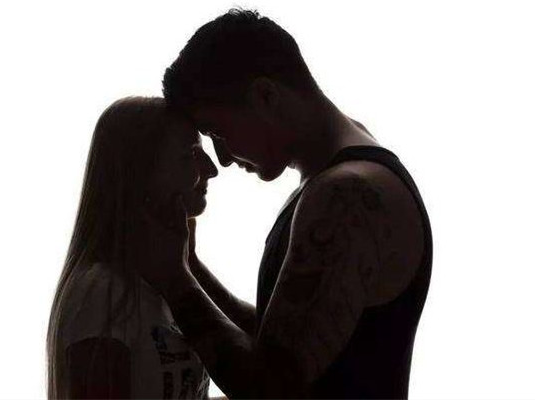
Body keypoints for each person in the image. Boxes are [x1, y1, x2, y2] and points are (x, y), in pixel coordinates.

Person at [135, 9, 433, 399]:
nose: (222, 159)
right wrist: (190, 265)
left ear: (266, 96)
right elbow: (284, 342)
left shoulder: (346, 195)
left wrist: (175, 282)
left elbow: (270, 387)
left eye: (217, 132)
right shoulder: (341, 174)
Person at [46, 97, 218, 399]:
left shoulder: (160, 285)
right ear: (141, 170)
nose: (211, 169)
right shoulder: (102, 292)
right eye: (191, 154)